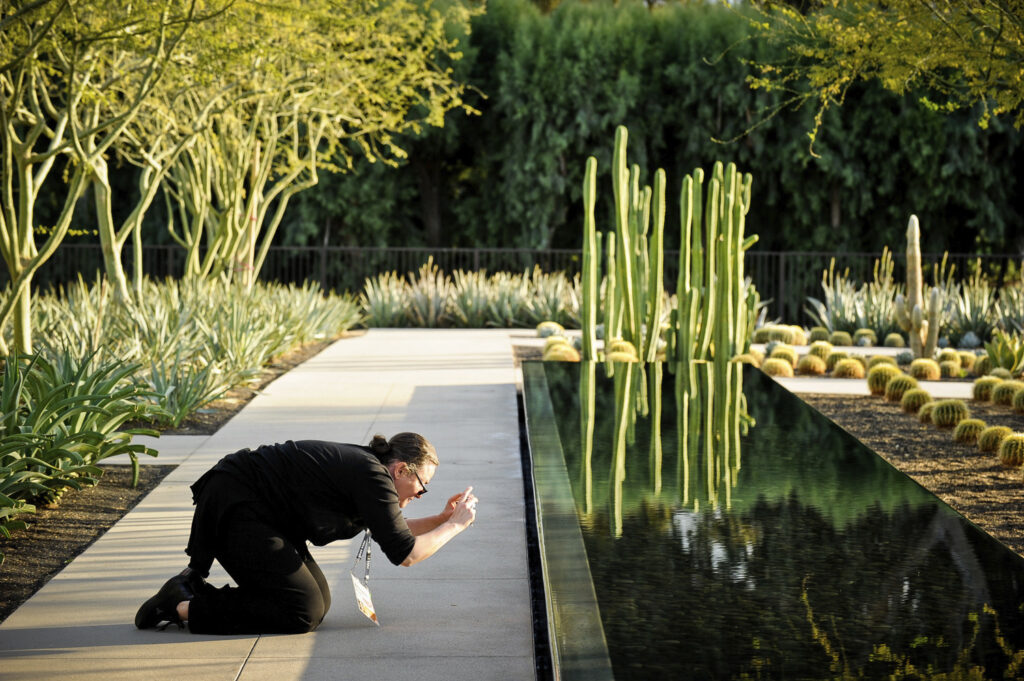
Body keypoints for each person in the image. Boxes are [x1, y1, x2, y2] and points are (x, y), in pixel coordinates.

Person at [135, 432, 477, 634]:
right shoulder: (373, 477)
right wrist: (455, 525)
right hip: (238, 507)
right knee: (302, 610)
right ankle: (182, 605)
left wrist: (442, 518)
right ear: (401, 469)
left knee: (318, 601)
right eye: (422, 486)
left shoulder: (371, 473)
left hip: (263, 513)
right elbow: (406, 554)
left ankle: (191, 591)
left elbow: (394, 533)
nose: (420, 494)